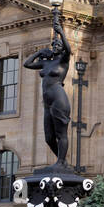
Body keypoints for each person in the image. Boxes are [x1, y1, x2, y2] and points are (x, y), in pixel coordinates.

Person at [24, 10, 72, 164]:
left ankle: (61, 162)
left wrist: (61, 33)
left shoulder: (63, 61)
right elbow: (27, 64)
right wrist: (39, 52)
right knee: (49, 138)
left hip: (59, 98)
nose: (56, 46)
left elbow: (69, 50)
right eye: (54, 44)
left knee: (61, 134)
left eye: (58, 44)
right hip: (47, 103)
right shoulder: (46, 62)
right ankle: (62, 161)